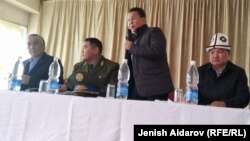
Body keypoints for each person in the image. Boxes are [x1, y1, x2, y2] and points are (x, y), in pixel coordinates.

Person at [124, 7, 174, 101]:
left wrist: (132, 47)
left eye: (133, 18)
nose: (130, 22)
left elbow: (157, 51)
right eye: (128, 20)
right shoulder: (132, 39)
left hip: (155, 88)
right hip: (136, 89)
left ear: (143, 20)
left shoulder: (154, 32)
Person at [198, 33, 250, 108]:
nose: (215, 56)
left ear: (228, 54)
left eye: (220, 52)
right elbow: (193, 95)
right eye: (212, 52)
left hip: (229, 116)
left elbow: (244, 98)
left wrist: (224, 104)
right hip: (203, 114)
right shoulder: (200, 71)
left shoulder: (238, 73)